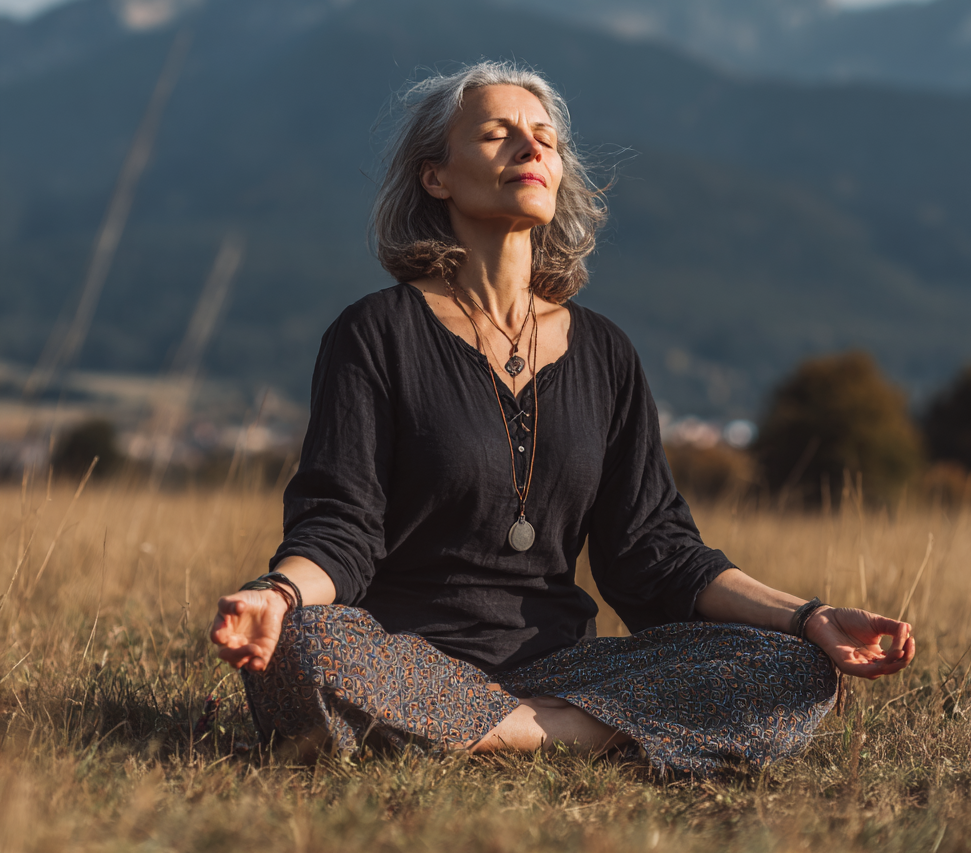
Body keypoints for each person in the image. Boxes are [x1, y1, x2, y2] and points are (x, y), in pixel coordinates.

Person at [210, 62, 914, 775]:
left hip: (565, 671)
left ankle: (498, 730)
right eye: (498, 133)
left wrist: (808, 618)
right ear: (436, 177)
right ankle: (584, 737)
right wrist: (278, 595)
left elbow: (654, 551)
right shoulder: (374, 334)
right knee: (304, 646)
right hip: (405, 659)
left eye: (545, 137)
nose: (532, 148)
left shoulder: (605, 351)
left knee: (790, 669)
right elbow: (341, 525)